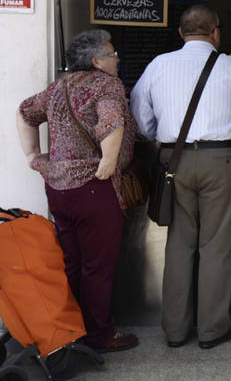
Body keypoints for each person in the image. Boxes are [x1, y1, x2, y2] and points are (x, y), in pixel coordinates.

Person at [130, 5, 231, 349]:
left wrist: (163, 140)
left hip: (172, 160)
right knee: (218, 244)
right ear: (216, 33)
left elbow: (140, 117)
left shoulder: (158, 65)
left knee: (179, 243)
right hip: (220, 161)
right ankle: (212, 330)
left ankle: (175, 331)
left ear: (180, 33)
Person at [16, 29, 139, 353]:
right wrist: (109, 161)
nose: (117, 59)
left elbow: (25, 112)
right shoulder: (107, 84)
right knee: (98, 267)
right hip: (92, 189)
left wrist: (32, 156)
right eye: (112, 54)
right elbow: (112, 121)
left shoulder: (59, 86)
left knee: (72, 262)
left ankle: (72, 332)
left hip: (58, 189)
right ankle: (100, 336)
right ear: (97, 60)